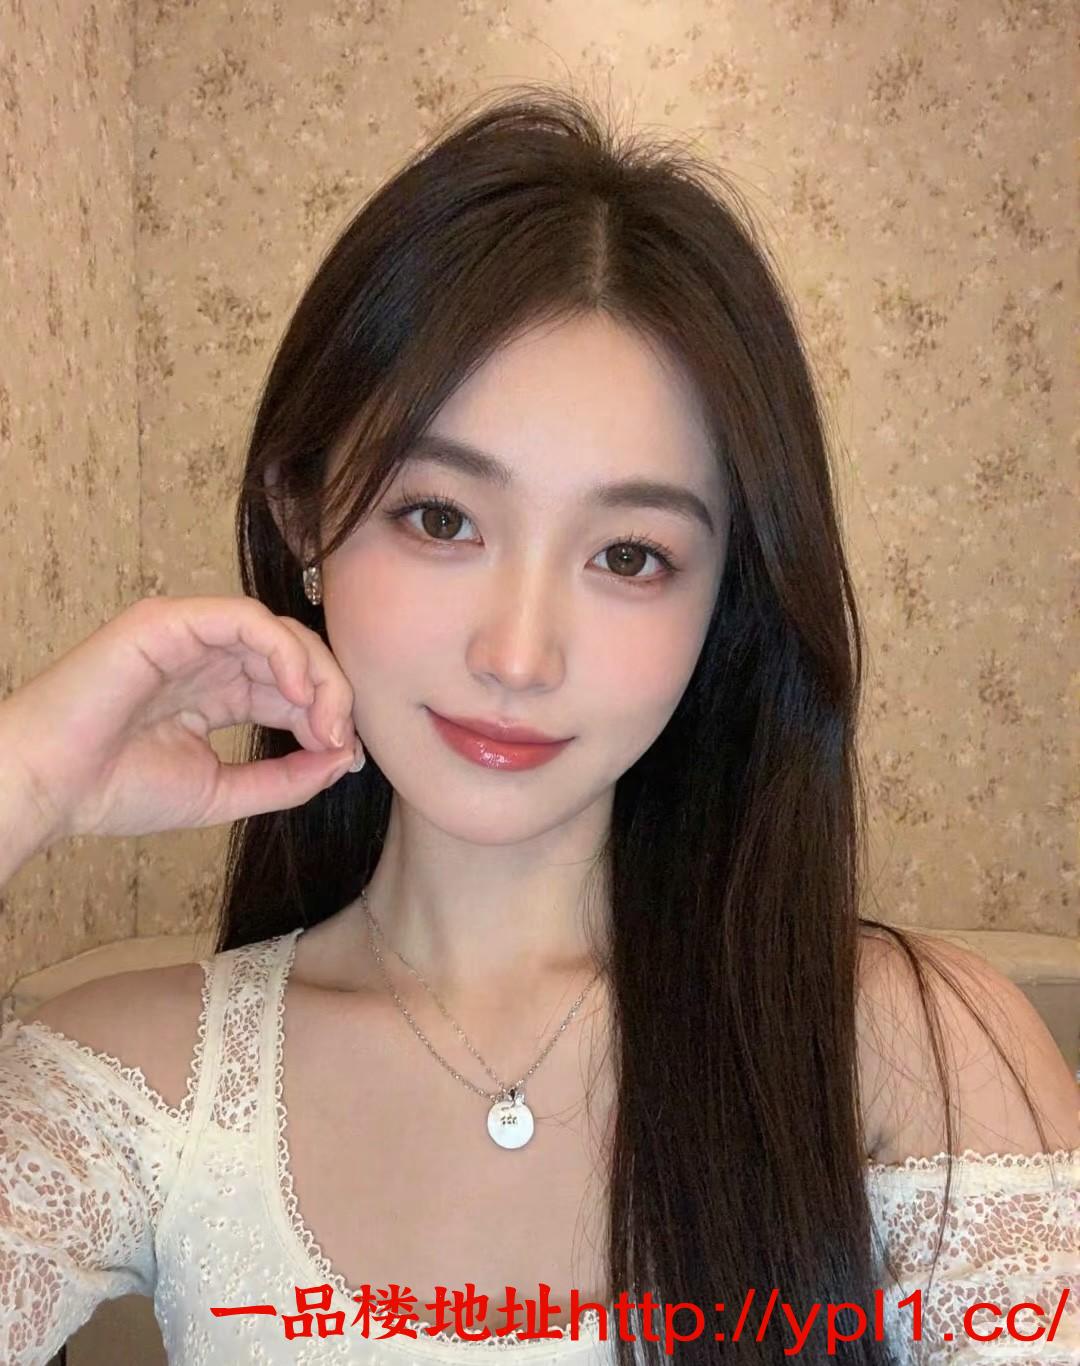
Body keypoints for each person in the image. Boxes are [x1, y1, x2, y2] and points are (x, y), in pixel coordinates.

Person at [0, 83, 1075, 1366]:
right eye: (441, 518)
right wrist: (25, 782)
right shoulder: (127, 1080)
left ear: (725, 598)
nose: (517, 656)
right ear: (302, 514)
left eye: (629, 554)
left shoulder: (913, 1049)